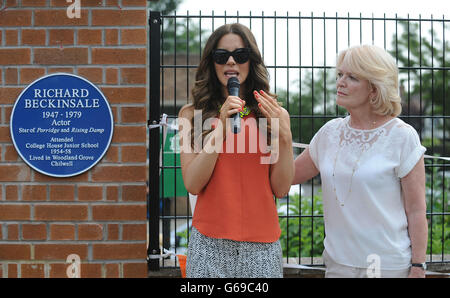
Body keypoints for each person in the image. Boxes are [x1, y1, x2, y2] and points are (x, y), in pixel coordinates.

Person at [292, 44, 428, 278]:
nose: (341, 82)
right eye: (340, 75)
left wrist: (418, 266)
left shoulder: (402, 136)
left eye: (352, 77)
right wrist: (279, 135)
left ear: (374, 89)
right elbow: (287, 177)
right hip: (337, 265)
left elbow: (416, 210)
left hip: (386, 267)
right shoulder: (329, 133)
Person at [178, 23, 294, 278]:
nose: (231, 62)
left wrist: (285, 138)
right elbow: (193, 183)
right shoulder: (190, 114)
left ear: (250, 61)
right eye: (222, 56)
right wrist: (220, 128)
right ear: (212, 63)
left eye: (240, 55)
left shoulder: (273, 114)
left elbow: (281, 188)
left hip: (262, 246)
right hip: (209, 243)